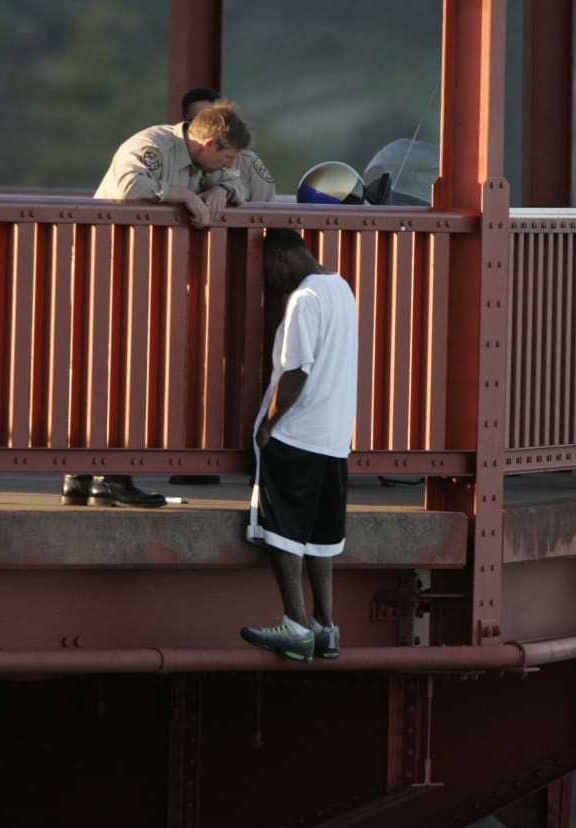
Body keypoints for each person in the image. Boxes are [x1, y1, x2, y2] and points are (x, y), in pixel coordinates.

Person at [61, 101, 252, 507]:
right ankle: (109, 478)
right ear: (207, 142)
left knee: (118, 373)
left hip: (143, 277)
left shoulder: (212, 160)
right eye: (226, 156)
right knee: (115, 374)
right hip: (106, 268)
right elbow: (128, 186)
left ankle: (88, 477)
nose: (228, 163)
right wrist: (179, 193)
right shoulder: (152, 145)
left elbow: (254, 184)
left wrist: (223, 188)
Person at [241, 228, 358, 662]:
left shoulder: (304, 299)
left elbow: (296, 371)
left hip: (297, 434)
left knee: (283, 530)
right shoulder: (341, 289)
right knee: (320, 538)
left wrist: (269, 425)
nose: (269, 280)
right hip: (332, 438)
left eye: (269, 269)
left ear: (283, 257)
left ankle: (294, 625)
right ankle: (325, 627)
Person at [168, 89, 275, 487]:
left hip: (223, 278)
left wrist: (226, 190)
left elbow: (263, 196)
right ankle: (185, 457)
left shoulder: (242, 160)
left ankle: (213, 457)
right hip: (175, 280)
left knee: (222, 364)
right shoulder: (167, 154)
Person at [181, 87, 275, 203]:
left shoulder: (247, 163)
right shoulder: (174, 159)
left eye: (210, 120)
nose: (204, 126)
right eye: (196, 121)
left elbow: (265, 210)